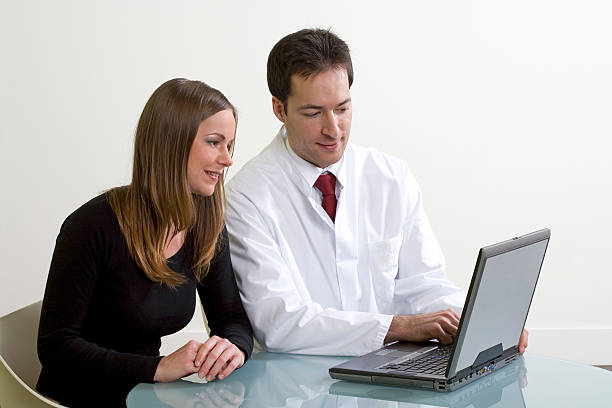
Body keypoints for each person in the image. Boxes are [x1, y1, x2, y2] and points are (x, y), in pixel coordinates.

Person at [225, 28, 528, 356]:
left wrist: (475, 322)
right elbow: (278, 322)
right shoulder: (246, 197)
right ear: (279, 109)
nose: (333, 128)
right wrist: (397, 326)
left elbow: (424, 283)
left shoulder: (390, 177)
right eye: (314, 113)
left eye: (342, 108)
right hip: (291, 384)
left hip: (389, 371)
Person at [37, 78, 253, 408]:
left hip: (145, 396)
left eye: (229, 145)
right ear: (172, 144)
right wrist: (157, 367)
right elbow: (56, 347)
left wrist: (232, 348)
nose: (227, 160)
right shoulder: (92, 226)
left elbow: (231, 319)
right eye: (214, 143)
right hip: (78, 397)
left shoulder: (204, 225)